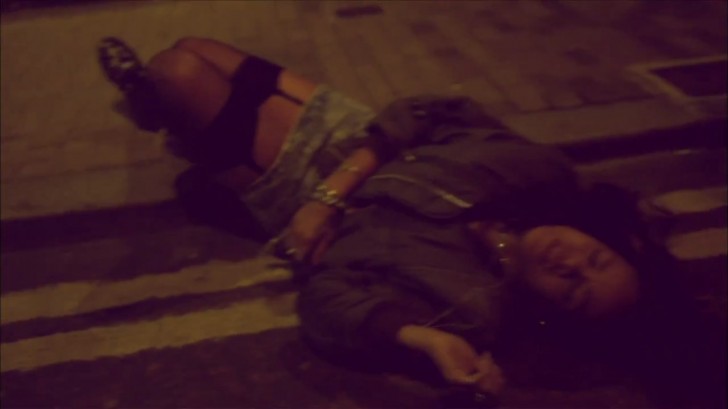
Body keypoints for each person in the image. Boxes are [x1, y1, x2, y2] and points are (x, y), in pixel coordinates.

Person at [98, 37, 723, 406]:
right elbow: (438, 110)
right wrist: (340, 189)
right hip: (362, 139)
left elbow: (327, 304)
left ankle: (158, 100)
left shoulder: (468, 307)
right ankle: (154, 107)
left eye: (574, 290)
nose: (571, 262)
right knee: (194, 49)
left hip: (295, 187)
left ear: (550, 312)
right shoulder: (542, 175)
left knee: (181, 72)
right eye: (597, 258)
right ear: (608, 240)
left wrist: (417, 339)